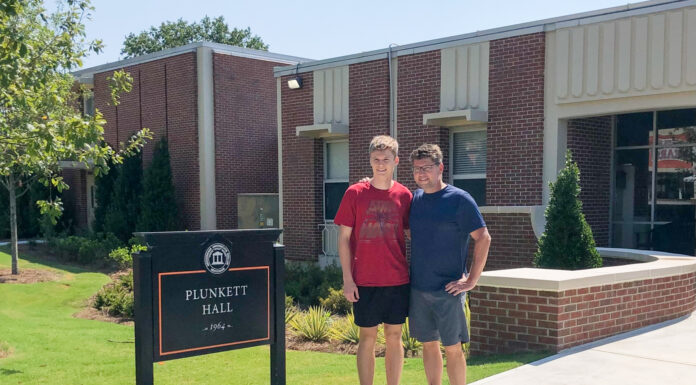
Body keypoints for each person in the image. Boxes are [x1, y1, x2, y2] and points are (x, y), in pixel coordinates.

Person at [408, 143, 491, 385]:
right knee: (428, 344)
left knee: (453, 347)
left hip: (449, 289)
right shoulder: (415, 199)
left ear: (440, 167)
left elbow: (483, 237)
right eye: (416, 169)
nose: (421, 173)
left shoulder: (459, 199)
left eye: (426, 167)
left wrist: (471, 280)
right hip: (419, 287)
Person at [334, 135, 413, 385]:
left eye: (386, 159)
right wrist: (348, 279)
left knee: (394, 336)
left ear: (396, 161)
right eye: (376, 159)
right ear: (370, 160)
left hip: (397, 278)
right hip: (364, 279)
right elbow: (344, 238)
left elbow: (414, 235)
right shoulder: (354, 193)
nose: (381, 164)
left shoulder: (404, 195)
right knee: (366, 338)